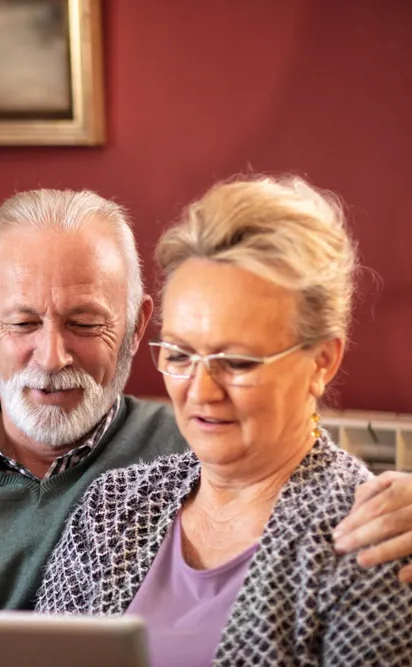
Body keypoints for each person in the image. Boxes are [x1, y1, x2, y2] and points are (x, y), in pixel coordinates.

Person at [0, 187, 412, 667]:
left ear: (137, 327)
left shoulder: (210, 451)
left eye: (84, 324)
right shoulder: (118, 503)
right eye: (23, 324)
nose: (52, 357)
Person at [35, 175, 412, 665]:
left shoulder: (368, 539)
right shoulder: (112, 508)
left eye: (237, 362)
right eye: (180, 354)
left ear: (321, 361)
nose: (202, 390)